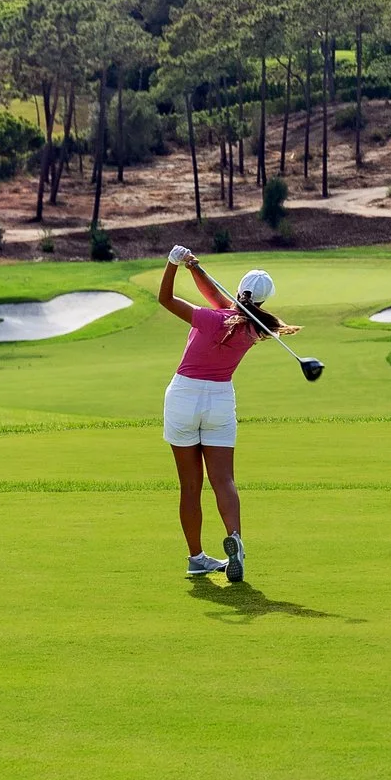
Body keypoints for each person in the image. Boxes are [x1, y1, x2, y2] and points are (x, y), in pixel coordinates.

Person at [156, 246, 297, 582]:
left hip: (184, 396)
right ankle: (235, 540)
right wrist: (196, 269)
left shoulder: (212, 319)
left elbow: (166, 300)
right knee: (224, 480)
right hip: (219, 399)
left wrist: (173, 264)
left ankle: (196, 557)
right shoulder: (254, 328)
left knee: (190, 486)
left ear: (239, 290)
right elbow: (222, 302)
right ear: (262, 301)